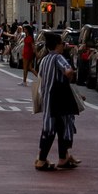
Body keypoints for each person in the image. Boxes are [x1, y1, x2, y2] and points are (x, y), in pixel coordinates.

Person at [34, 30, 79, 171]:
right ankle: (46, 160)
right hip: (59, 98)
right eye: (62, 43)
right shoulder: (58, 58)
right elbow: (68, 71)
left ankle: (60, 157)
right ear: (57, 45)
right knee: (64, 125)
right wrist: (70, 77)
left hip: (47, 98)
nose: (64, 46)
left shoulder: (44, 60)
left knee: (53, 127)